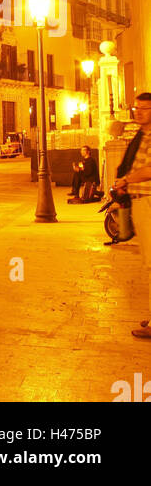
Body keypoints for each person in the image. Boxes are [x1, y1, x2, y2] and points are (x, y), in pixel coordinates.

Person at [112, 92, 151, 340]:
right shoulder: (142, 135)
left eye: (145, 108)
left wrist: (126, 179)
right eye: (136, 108)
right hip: (141, 201)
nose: (138, 112)